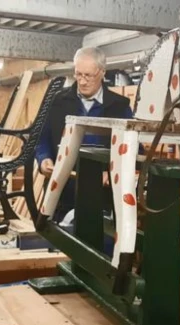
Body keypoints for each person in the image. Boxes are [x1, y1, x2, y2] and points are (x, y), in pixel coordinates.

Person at [35, 47, 134, 224]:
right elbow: (42, 139)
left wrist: (113, 172)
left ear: (102, 72)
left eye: (88, 75)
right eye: (78, 74)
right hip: (63, 195)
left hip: (103, 198)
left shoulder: (119, 107)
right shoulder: (57, 102)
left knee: (101, 247)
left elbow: (132, 149)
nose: (82, 81)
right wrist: (43, 159)